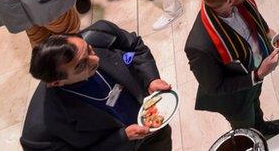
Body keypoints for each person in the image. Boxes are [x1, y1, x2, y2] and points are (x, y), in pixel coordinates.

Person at [20, 21, 174, 150]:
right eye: (81, 65)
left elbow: (134, 47)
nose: (95, 60)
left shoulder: (101, 34)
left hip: (156, 131)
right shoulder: (40, 132)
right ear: (56, 82)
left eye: (89, 50)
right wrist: (122, 138)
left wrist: (151, 79)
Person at [185, 0, 279, 136]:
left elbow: (254, 14)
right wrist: (257, 75)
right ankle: (252, 139)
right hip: (235, 97)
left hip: (253, 72)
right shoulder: (199, 46)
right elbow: (214, 87)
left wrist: (267, 31)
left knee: (256, 103)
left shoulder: (240, 0)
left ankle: (261, 126)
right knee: (245, 127)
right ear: (230, 1)